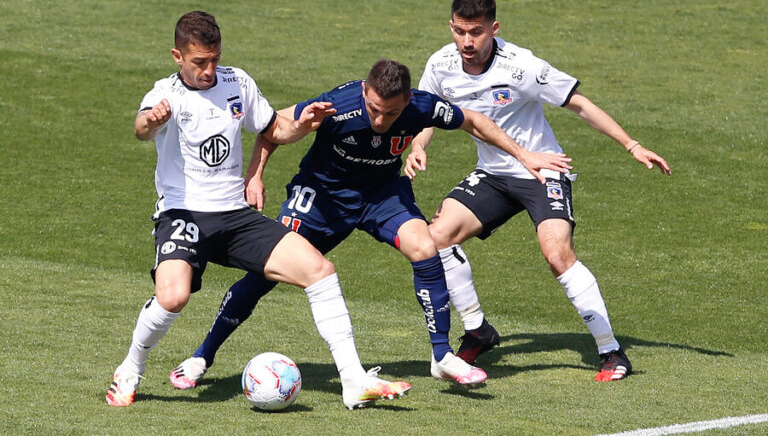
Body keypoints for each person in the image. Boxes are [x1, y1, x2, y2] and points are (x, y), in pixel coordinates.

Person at [167, 58, 574, 391]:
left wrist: (525, 155)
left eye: (391, 113)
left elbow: (473, 121)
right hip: (321, 200)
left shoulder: (421, 106)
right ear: (364, 91)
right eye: (375, 109)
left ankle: (441, 356)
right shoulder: (337, 106)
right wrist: (255, 176)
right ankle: (203, 354)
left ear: (407, 101)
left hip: (381, 196)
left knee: (425, 247)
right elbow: (274, 129)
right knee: (263, 276)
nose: (381, 120)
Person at [106, 11, 412, 411]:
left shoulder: (237, 82)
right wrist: (151, 120)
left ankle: (354, 382)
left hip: (235, 215)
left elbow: (273, 130)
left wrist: (302, 124)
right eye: (199, 62)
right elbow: (141, 127)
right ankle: (130, 368)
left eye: (214, 58)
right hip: (184, 215)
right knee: (174, 296)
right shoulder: (166, 94)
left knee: (320, 271)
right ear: (177, 56)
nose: (209, 69)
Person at [405, 0, 671, 381]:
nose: (466, 41)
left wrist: (631, 144)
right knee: (435, 237)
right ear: (451, 26)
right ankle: (478, 329)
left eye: (476, 32)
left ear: (493, 28)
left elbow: (578, 103)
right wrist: (418, 145)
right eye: (460, 31)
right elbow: (427, 112)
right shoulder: (441, 64)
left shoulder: (522, 66)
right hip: (493, 174)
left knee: (557, 254)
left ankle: (611, 351)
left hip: (542, 170)